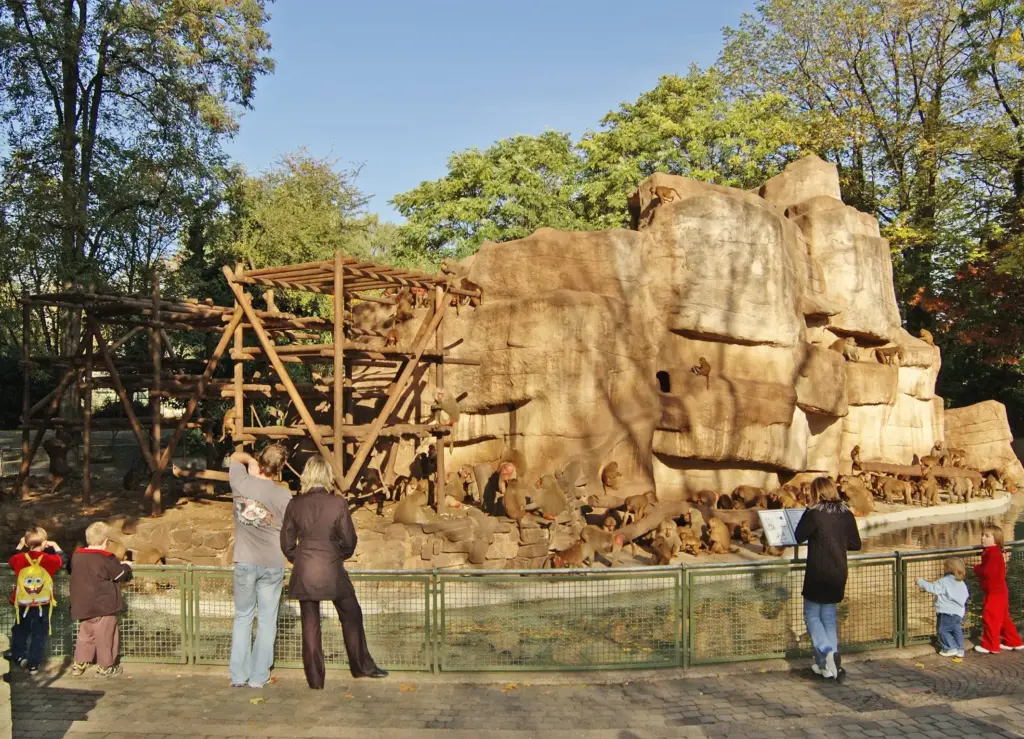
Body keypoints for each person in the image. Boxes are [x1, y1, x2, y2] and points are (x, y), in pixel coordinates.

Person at [280, 454, 387, 689]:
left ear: (307, 475)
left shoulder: (295, 504)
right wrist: (338, 556)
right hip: (332, 568)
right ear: (327, 476)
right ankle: (361, 667)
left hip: (305, 571)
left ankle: (316, 681)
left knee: (310, 624)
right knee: (351, 614)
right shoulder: (338, 503)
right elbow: (349, 540)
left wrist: (299, 559)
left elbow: (286, 543)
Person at [227, 443, 293, 688]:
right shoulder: (283, 496)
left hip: (244, 561)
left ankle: (238, 676)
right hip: (272, 563)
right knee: (267, 620)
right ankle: (258, 676)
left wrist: (249, 460)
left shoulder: (240, 482)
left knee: (242, 617)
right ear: (280, 468)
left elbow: (234, 456)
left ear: (260, 460)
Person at [794, 476, 861, 682]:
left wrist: (808, 510)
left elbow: (798, 536)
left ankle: (827, 651)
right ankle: (828, 667)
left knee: (811, 616)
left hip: (818, 572)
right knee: (829, 618)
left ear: (816, 493)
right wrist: (837, 543)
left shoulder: (814, 514)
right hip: (838, 571)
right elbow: (856, 544)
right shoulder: (846, 513)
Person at [69, 522, 133, 677]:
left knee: (86, 635)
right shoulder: (106, 558)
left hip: (83, 604)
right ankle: (106, 667)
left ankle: (79, 664)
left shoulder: (77, 556)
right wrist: (126, 566)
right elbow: (119, 574)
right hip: (104, 605)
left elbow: (70, 568)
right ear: (105, 541)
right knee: (106, 636)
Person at [4, 527, 66, 673]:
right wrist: (55, 546)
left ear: (26, 543)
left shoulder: (19, 558)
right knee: (39, 633)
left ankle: (19, 656)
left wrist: (20, 545)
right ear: (44, 543)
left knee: (20, 630)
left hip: (22, 603)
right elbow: (63, 560)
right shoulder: (49, 559)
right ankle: (34, 663)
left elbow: (11, 560)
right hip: (42, 603)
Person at [973, 526, 1024, 654]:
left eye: (987, 536)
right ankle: (1014, 641)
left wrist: (977, 568)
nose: (982, 538)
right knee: (1003, 619)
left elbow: (987, 571)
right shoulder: (994, 552)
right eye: (982, 535)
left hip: (994, 593)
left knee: (990, 618)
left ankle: (990, 645)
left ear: (996, 539)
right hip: (999, 592)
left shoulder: (992, 553)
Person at [917, 557, 969, 658]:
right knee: (957, 630)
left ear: (949, 568)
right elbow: (965, 595)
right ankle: (960, 649)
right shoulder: (961, 582)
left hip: (946, 612)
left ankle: (950, 648)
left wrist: (920, 581)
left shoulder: (944, 581)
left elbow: (933, 588)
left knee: (942, 630)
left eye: (944, 567)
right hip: (959, 612)